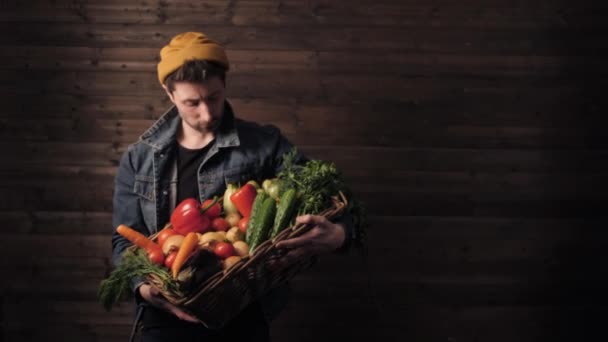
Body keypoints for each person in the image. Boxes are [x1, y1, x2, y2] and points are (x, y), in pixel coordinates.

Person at [111, 32, 359, 342]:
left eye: (213, 97)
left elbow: (336, 197)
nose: (207, 112)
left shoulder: (264, 145)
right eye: (192, 103)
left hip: (243, 317)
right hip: (164, 321)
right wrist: (146, 289)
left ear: (224, 83)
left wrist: (339, 235)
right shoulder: (139, 159)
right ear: (169, 93)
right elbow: (123, 245)